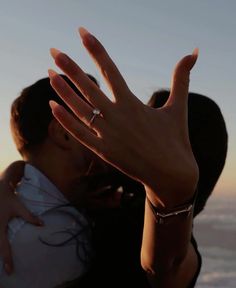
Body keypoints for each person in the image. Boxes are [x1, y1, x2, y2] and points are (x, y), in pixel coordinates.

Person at [0, 27, 228, 287]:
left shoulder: (178, 250)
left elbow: (163, 265)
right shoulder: (102, 201)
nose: (119, 134)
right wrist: (11, 177)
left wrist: (172, 197)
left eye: (143, 131)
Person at [0, 74, 113, 288]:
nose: (107, 131)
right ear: (64, 134)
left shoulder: (68, 203)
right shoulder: (40, 237)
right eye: (96, 119)